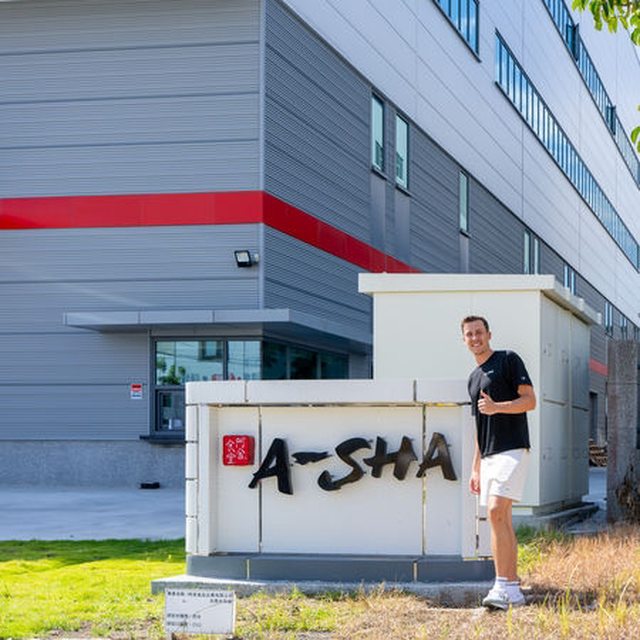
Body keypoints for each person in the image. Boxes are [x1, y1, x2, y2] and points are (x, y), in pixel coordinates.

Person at [461, 315, 536, 611]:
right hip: (489, 456)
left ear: (489, 334)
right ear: (464, 340)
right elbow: (479, 427)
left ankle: (501, 585)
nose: (475, 338)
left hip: (513, 448)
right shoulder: (473, 378)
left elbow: (529, 400)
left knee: (495, 511)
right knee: (499, 518)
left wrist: (496, 407)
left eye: (479, 332)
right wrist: (475, 467)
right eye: (469, 334)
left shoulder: (508, 360)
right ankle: (512, 589)